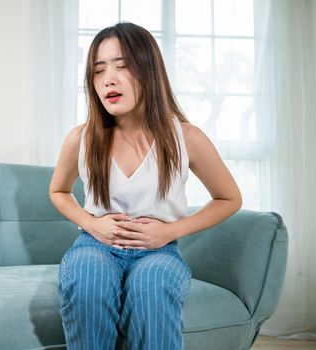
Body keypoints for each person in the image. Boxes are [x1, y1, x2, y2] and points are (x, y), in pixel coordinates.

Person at [49, 22, 242, 350]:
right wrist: (92, 224)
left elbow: (229, 198)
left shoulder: (186, 138)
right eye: (98, 71)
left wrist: (171, 232)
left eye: (122, 66)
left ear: (149, 70)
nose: (108, 78)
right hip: (94, 247)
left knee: (152, 285)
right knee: (87, 277)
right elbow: (58, 191)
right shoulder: (81, 138)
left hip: (160, 252)